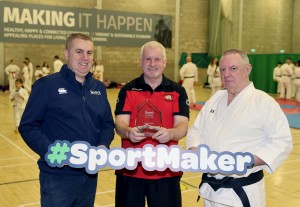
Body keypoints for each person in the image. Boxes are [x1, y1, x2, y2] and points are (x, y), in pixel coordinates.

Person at [186, 49, 293, 207]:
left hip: (241, 193)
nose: (226, 74)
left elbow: (282, 141)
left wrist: (247, 161)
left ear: (248, 69)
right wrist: (195, 151)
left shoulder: (263, 102)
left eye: (233, 68)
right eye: (223, 69)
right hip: (210, 191)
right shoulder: (216, 98)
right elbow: (197, 129)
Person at [18, 33, 115, 207]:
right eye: (79, 51)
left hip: (89, 176)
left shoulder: (98, 88)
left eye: (89, 52)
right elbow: (28, 126)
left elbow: (107, 124)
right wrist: (50, 152)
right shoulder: (47, 85)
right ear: (66, 53)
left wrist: (102, 145)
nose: (85, 57)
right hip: (57, 178)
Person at [114, 41, 189, 207]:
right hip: (130, 171)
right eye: (148, 59)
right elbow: (120, 123)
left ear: (164, 62)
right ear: (140, 61)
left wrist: (170, 134)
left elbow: (182, 126)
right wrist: (127, 132)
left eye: (157, 59)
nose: (152, 64)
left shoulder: (178, 91)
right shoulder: (128, 90)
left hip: (166, 172)